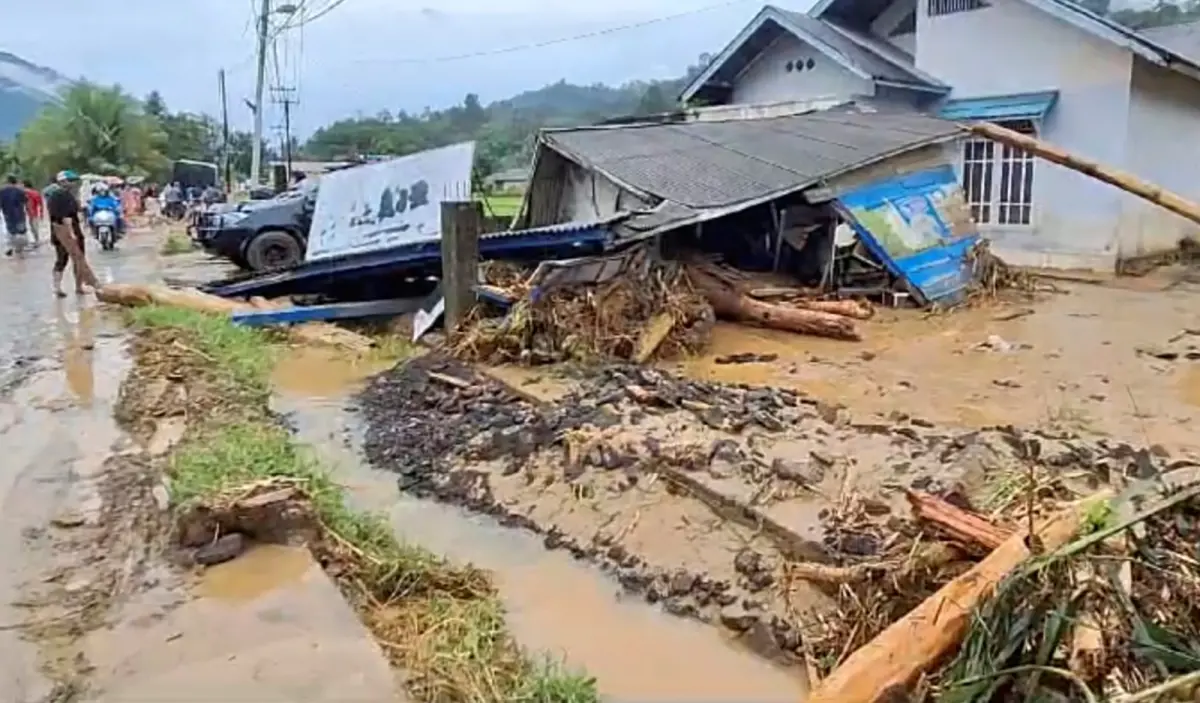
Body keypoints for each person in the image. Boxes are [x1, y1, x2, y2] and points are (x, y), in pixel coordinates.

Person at [46, 170, 89, 297]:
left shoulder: (54, 196)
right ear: (63, 182)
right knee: (78, 259)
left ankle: (57, 287)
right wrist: (72, 234)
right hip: (69, 233)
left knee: (61, 260)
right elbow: (67, 217)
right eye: (71, 181)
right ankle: (79, 287)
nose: (74, 184)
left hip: (57, 233)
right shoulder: (64, 196)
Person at [0, 174, 28, 256]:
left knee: (11, 232)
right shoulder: (20, 191)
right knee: (21, 232)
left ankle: (11, 247)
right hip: (20, 215)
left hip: (8, 215)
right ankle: (20, 250)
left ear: (7, 181)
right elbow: (25, 201)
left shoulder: (2, 191)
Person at [23, 179, 43, 246]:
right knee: (33, 227)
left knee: (33, 227)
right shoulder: (35, 192)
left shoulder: (28, 192)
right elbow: (40, 203)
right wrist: (41, 212)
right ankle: (36, 240)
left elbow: (38, 203)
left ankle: (37, 241)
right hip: (32, 212)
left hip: (32, 213)